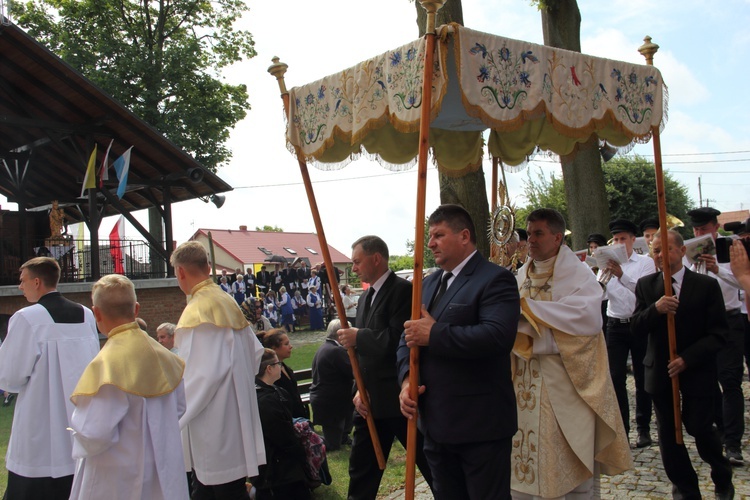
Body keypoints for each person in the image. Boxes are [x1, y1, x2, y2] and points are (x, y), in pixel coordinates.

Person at [397, 204, 520, 500]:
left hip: (480, 426)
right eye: (430, 236)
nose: (430, 244)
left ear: (464, 236)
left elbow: (497, 337)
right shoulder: (426, 284)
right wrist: (405, 382)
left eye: (439, 235)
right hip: (435, 426)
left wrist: (435, 333)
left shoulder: (495, 279)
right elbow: (407, 338)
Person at [511, 209, 632, 499]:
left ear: (557, 237)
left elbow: (587, 323)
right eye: (529, 234)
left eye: (539, 233)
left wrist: (529, 319)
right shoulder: (520, 274)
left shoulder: (577, 275)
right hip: (522, 387)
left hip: (564, 387)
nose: (532, 241)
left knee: (570, 461)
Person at [631, 230, 734, 499]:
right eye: (655, 251)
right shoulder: (646, 285)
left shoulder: (705, 286)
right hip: (660, 370)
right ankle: (686, 489)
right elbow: (636, 326)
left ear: (681, 251)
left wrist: (687, 359)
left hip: (696, 369)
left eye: (666, 249)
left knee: (699, 426)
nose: (661, 256)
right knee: (668, 433)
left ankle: (721, 473)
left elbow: (719, 334)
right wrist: (656, 309)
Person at [68, 274, 187, 500]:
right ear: (136, 309)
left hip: (118, 477)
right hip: (164, 467)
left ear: (96, 313)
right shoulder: (167, 357)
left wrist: (77, 428)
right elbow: (179, 408)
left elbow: (95, 433)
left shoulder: (106, 364)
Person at [337, 235, 433, 499]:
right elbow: (363, 356)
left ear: (376, 258)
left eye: (357, 262)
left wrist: (359, 337)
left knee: (429, 464)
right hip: (369, 402)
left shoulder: (403, 291)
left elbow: (399, 339)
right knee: (362, 471)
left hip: (398, 400)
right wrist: (359, 389)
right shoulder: (367, 296)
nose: (353, 268)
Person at [171, 241, 265, 499]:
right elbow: (255, 354)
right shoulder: (226, 300)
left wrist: (173, 415)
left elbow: (200, 379)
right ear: (208, 267)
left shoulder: (197, 311)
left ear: (180, 272)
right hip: (236, 411)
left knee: (220, 488)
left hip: (214, 420)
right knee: (221, 488)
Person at [0, 257, 99, 500]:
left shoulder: (26, 318)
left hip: (40, 424)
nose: (20, 287)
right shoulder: (86, 315)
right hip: (80, 420)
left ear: (36, 282)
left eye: (22, 281)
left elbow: (10, 377)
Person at [688, 206, 745, 465]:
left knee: (730, 380)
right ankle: (720, 430)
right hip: (703, 322)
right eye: (696, 229)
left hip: (730, 319)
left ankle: (733, 443)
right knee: (709, 380)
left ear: (715, 227)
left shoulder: (730, 247)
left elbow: (742, 282)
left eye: (703, 229)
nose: (699, 233)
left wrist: (717, 270)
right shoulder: (691, 251)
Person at [600, 218, 657, 448]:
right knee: (615, 377)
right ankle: (622, 428)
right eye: (616, 239)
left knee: (643, 377)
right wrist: (603, 276)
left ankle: (643, 429)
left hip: (639, 323)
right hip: (615, 324)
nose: (619, 242)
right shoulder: (607, 264)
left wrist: (621, 274)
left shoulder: (645, 263)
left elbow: (644, 292)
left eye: (623, 239)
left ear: (634, 240)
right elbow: (601, 295)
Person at [252, 348, 310, 500]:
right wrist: (299, 451)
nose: (281, 366)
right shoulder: (265, 402)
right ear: (269, 368)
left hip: (283, 466)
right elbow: (282, 436)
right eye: (278, 363)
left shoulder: (275, 391)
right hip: (277, 471)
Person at [311, 319, 354, 451]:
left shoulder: (325, 347)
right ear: (340, 334)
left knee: (339, 436)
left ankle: (343, 437)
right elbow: (353, 371)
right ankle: (311, 443)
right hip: (330, 403)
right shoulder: (336, 351)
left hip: (328, 400)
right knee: (332, 445)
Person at [260, 329, 309, 419]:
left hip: (299, 416)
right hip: (287, 417)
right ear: (274, 348)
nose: (290, 347)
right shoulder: (271, 373)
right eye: (286, 344)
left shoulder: (286, 368)